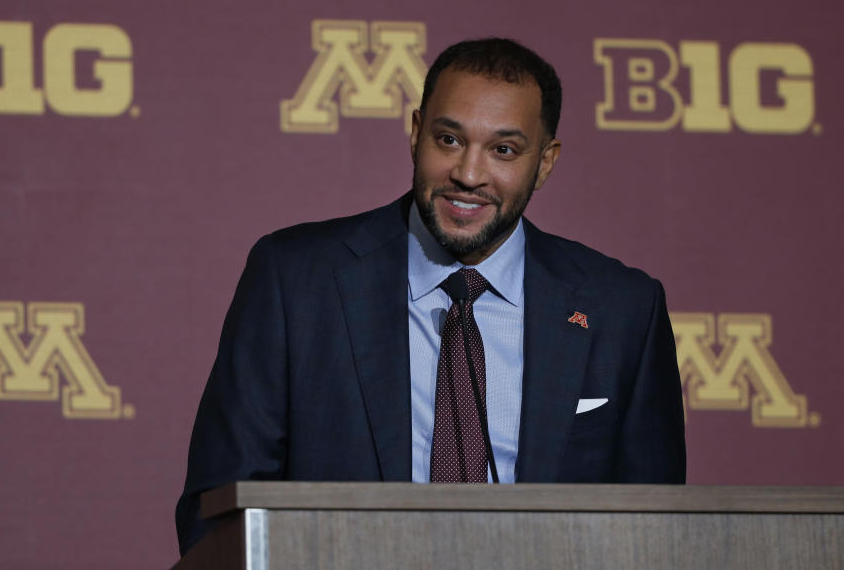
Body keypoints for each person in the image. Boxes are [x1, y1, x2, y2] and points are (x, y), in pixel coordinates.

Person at [175, 38, 686, 555]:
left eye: (504, 150)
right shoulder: (296, 279)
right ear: (417, 133)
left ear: (545, 162)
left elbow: (660, 532)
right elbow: (220, 508)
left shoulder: (621, 309)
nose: (468, 174)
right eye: (448, 139)